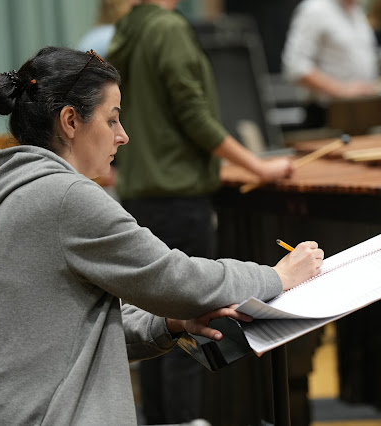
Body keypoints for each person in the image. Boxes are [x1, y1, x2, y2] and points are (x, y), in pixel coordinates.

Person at [0, 46, 324, 425]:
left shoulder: (18, 191)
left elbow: (79, 332)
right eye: (112, 120)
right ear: (70, 121)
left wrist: (172, 324)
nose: (123, 136)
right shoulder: (65, 197)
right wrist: (277, 277)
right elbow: (178, 279)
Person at [106, 1, 296, 423]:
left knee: (155, 323)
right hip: (177, 197)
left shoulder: (128, 29)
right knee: (189, 325)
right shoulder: (168, 29)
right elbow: (193, 114)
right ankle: (186, 420)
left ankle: (162, 421)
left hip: (141, 194)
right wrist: (258, 166)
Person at [281, 0, 380, 127]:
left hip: (360, 112)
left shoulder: (357, 10)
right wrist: (342, 90)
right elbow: (295, 67)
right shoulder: (314, 9)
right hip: (327, 115)